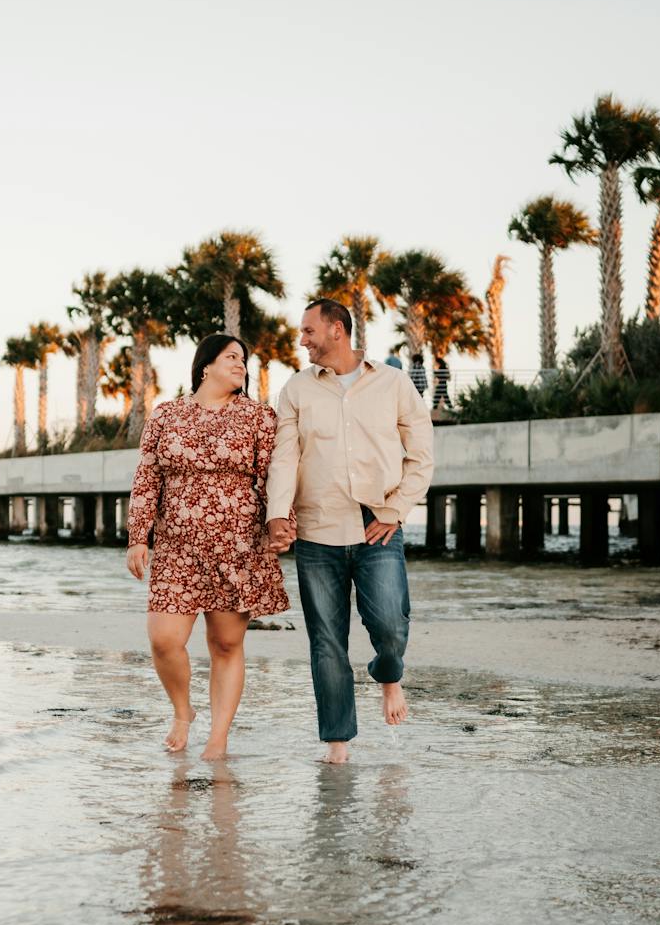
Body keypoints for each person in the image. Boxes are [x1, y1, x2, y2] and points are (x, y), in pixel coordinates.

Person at [265, 299, 434, 764]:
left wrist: (397, 509)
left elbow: (421, 455)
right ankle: (337, 745)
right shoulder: (296, 389)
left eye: (308, 330)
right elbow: (285, 455)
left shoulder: (393, 383)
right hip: (317, 528)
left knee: (391, 625)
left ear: (337, 330)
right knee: (326, 642)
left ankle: (388, 673)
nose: (302, 340)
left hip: (376, 523)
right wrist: (277, 511)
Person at [127, 334, 289, 760]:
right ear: (205, 366)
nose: (240, 364)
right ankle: (183, 711)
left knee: (225, 644)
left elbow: (274, 476)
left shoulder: (258, 417)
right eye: (231, 357)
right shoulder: (166, 415)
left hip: (236, 545)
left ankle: (218, 738)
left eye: (243, 359)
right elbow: (147, 479)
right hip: (178, 548)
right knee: (164, 639)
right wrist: (137, 538)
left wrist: (281, 524)